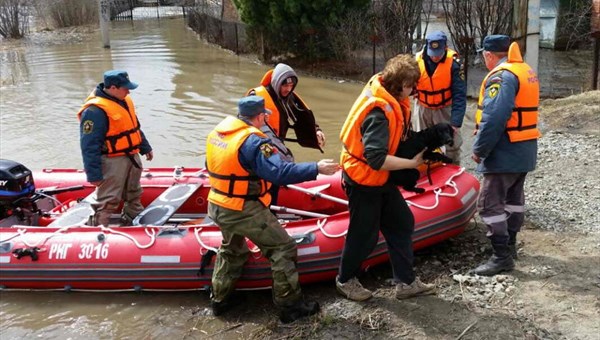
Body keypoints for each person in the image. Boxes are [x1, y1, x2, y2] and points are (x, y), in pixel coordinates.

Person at [205, 95, 338, 322]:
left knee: (232, 248)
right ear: (259, 117)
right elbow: (279, 172)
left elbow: (213, 167)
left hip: (217, 204)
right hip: (241, 207)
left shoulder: (219, 134)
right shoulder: (255, 143)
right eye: (264, 116)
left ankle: (220, 301)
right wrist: (316, 168)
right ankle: (290, 307)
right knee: (283, 248)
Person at [336, 54, 435, 302]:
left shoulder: (386, 94)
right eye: (411, 85)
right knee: (363, 235)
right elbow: (376, 159)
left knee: (402, 222)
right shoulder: (378, 113)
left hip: (380, 179)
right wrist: (413, 164)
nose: (414, 91)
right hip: (363, 180)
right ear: (400, 84)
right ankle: (345, 280)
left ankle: (406, 282)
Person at [471, 35, 540, 276]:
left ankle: (501, 256)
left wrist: (479, 150)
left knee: (489, 204)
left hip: (505, 150)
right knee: (513, 200)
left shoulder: (501, 77)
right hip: (525, 148)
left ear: (489, 55)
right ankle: (509, 247)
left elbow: (494, 118)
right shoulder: (524, 69)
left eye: (483, 55)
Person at [77, 70, 153, 227]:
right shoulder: (94, 111)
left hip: (131, 156)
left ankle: (134, 221)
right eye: (125, 88)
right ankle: (98, 230)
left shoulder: (124, 100)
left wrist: (145, 147)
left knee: (134, 193)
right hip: (112, 161)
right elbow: (89, 146)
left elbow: (134, 126)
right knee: (108, 200)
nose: (128, 91)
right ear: (112, 88)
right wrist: (94, 174)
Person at [247, 63, 326, 205]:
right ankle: (265, 212)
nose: (288, 89)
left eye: (291, 86)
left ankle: (272, 210)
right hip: (259, 145)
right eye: (285, 86)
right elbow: (248, 127)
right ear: (277, 82)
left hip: (273, 145)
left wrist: (316, 130)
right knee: (271, 176)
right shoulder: (257, 97)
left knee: (275, 179)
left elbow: (302, 115)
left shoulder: (287, 96)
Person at [414, 31, 466, 164]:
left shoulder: (454, 64)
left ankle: (453, 166)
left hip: (444, 108)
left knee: (452, 144)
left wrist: (455, 122)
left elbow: (460, 94)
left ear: (445, 48)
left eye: (438, 54)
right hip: (423, 108)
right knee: (421, 143)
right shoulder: (416, 60)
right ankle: (425, 168)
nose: (435, 57)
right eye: (432, 54)